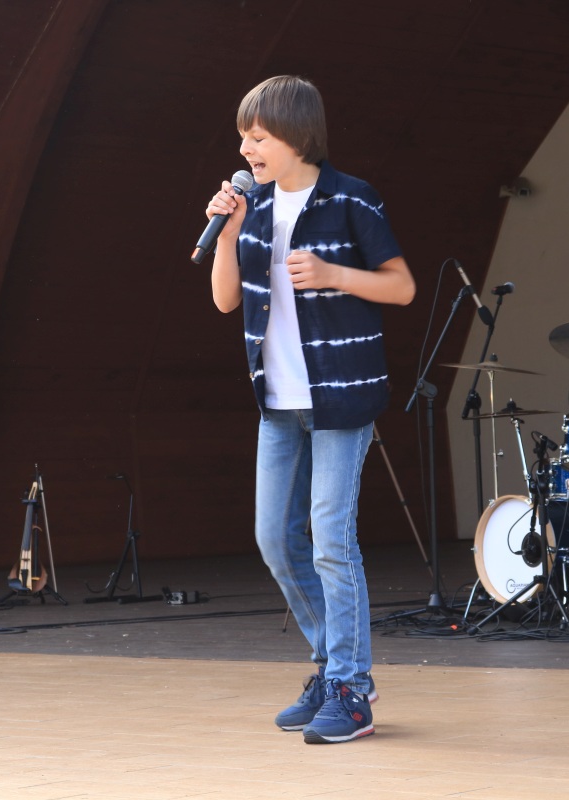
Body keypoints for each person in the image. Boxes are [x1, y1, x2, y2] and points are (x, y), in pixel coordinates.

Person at [204, 75, 415, 744]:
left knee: (330, 540)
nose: (246, 149)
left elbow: (402, 287)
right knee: (274, 538)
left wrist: (333, 275)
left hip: (340, 400)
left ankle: (351, 688)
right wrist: (229, 230)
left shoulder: (351, 197)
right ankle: (333, 667)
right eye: (243, 138)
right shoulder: (256, 206)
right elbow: (225, 301)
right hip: (277, 403)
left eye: (257, 137)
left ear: (296, 136)